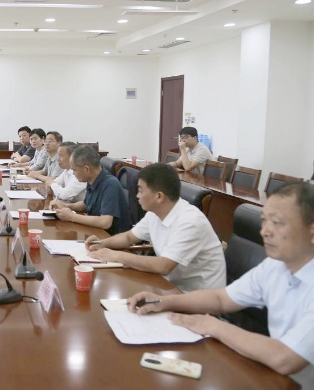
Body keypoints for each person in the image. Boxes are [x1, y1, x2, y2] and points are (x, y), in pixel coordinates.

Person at [128, 182, 314, 387]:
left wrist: (213, 326)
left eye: (277, 223)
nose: (265, 231)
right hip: (271, 373)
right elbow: (221, 299)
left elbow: (285, 358)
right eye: (264, 221)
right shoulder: (276, 266)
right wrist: (164, 301)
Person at [85, 163, 225, 292]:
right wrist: (102, 243)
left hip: (199, 298)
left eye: (141, 191)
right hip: (169, 286)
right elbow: (129, 237)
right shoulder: (155, 213)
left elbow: (163, 266)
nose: (137, 196)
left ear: (159, 196)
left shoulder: (190, 222)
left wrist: (117, 256)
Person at [53, 145, 130, 235]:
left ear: (86, 169)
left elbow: (105, 222)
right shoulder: (92, 179)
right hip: (95, 233)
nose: (73, 174)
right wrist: (67, 206)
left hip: (110, 237)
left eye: (74, 170)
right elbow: (86, 204)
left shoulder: (110, 184)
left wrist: (71, 216)